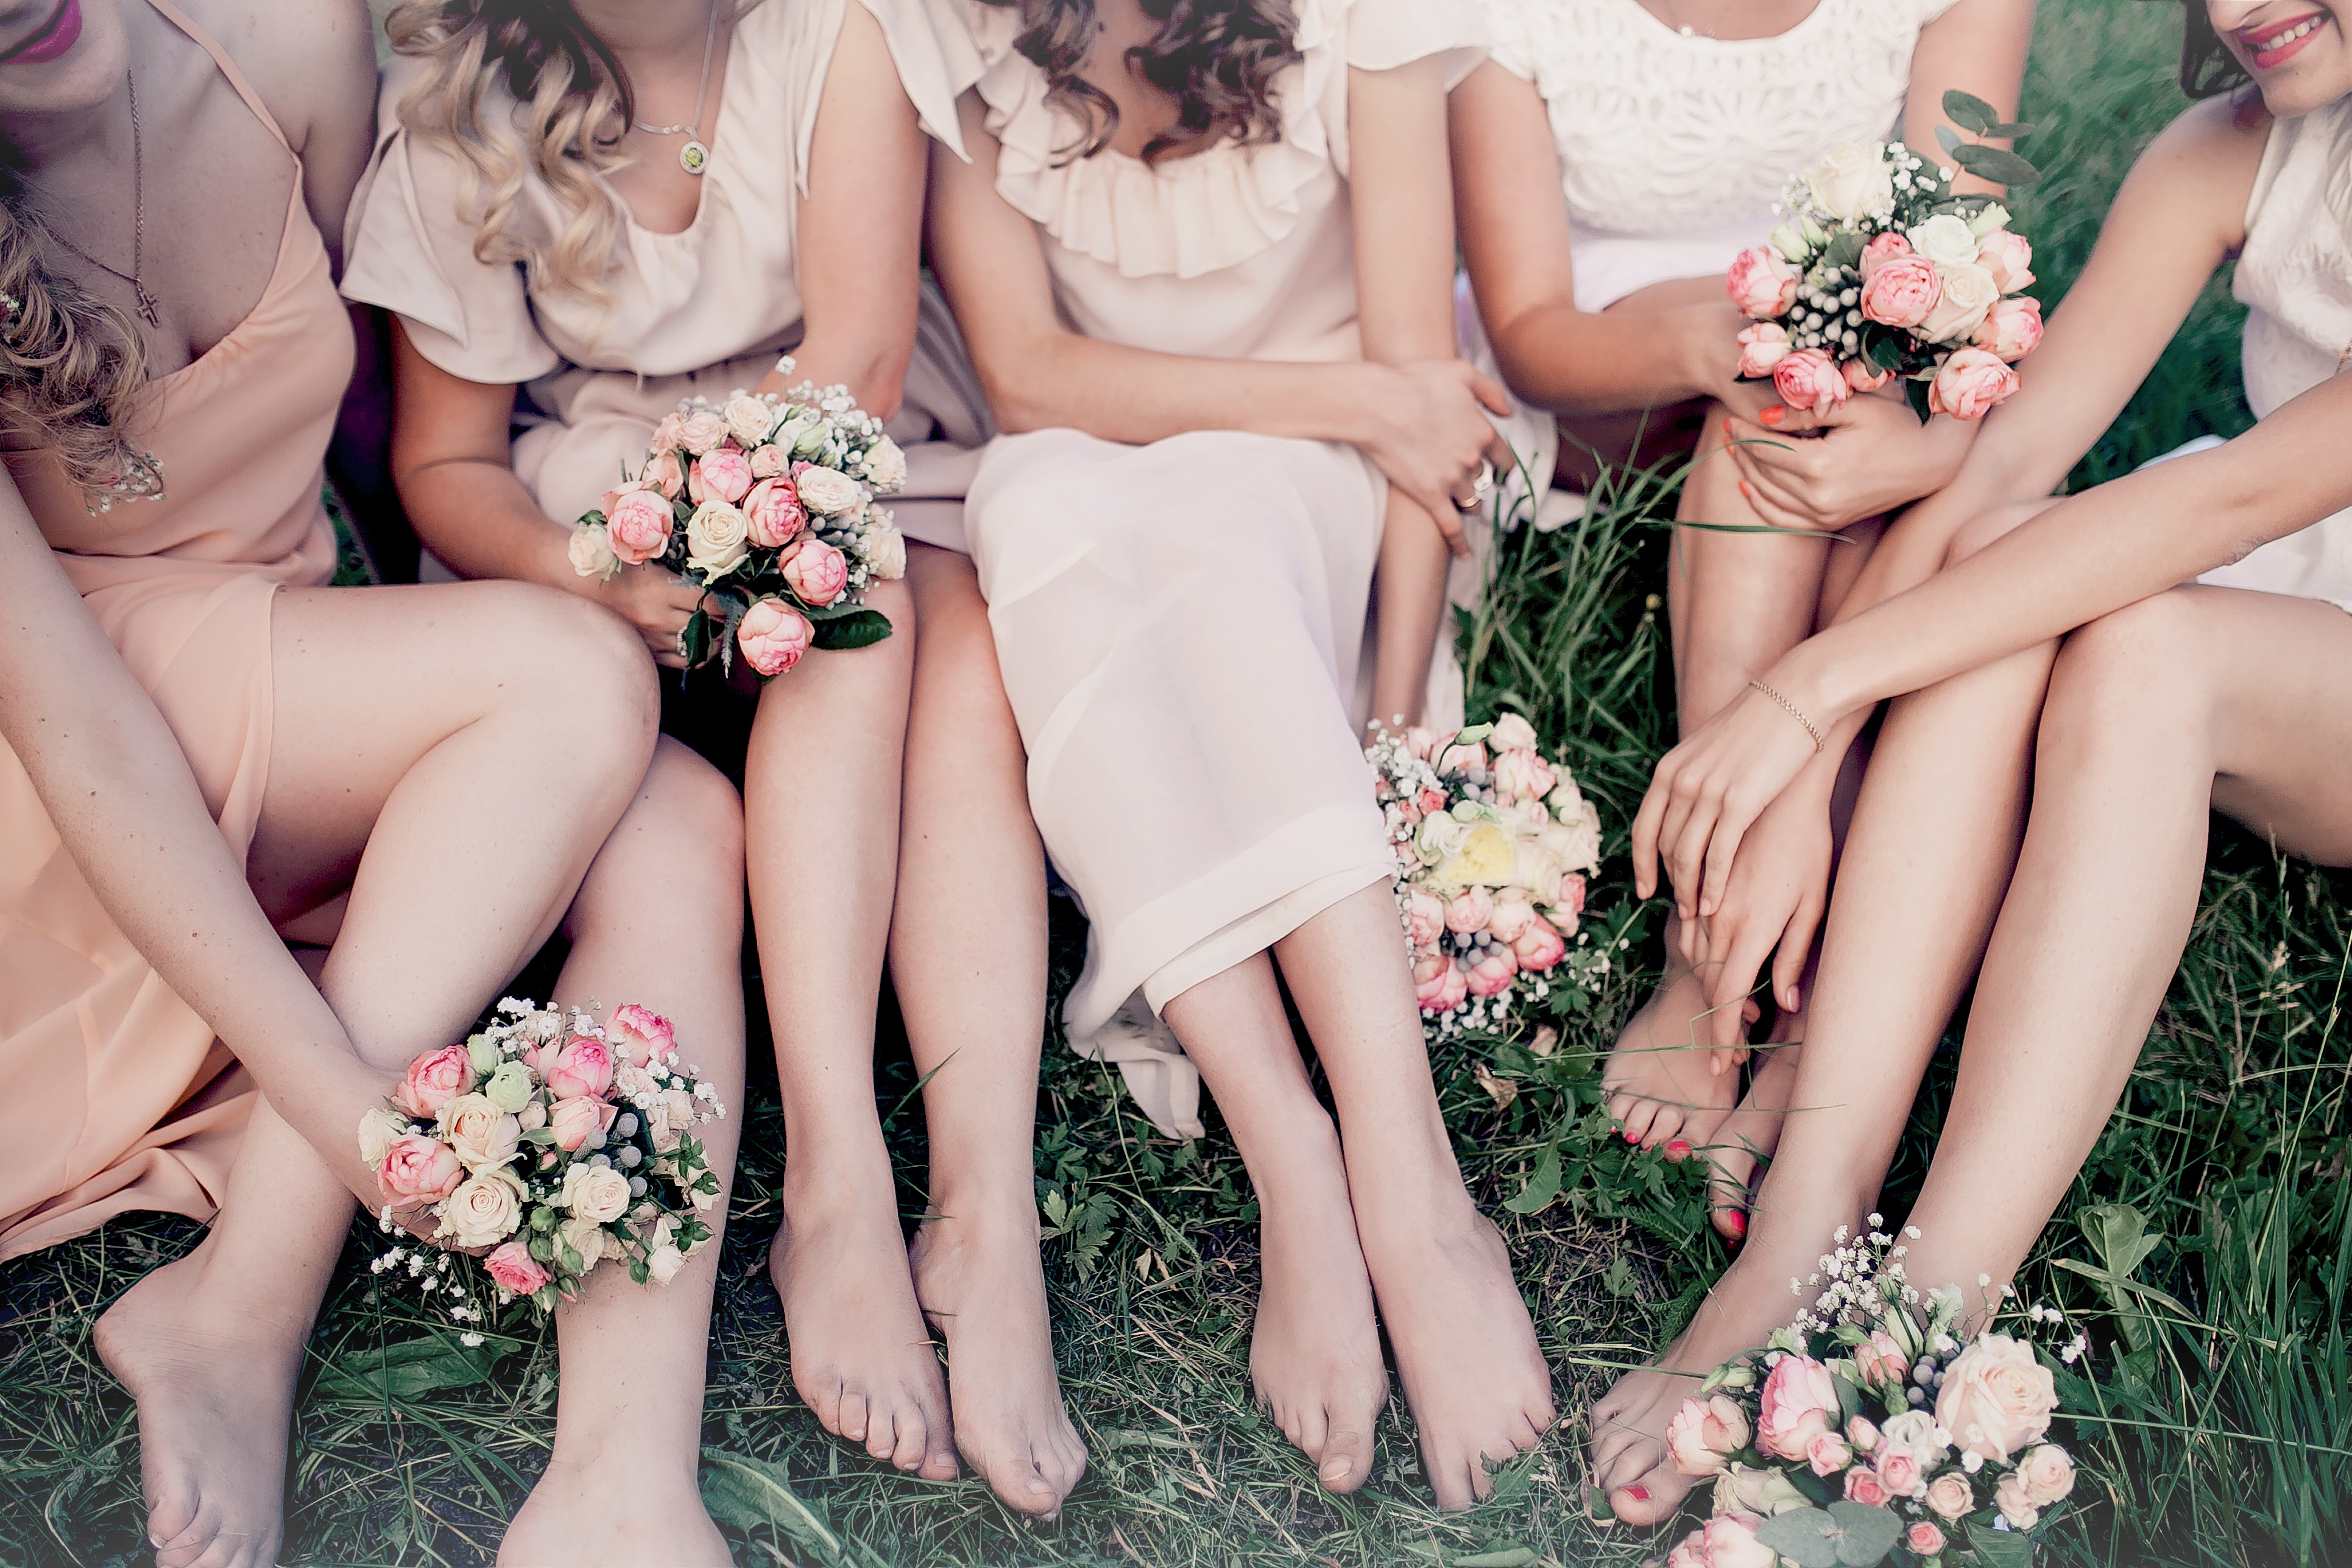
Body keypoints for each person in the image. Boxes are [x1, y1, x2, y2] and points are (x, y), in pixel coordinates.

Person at [0, 1, 748, 1563]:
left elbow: (379, 433)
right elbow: (73, 726)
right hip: (63, 755)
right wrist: (350, 1118)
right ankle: (238, 1314)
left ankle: (622, 1469)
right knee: (562, 682)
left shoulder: (285, 41)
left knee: (677, 821)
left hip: (282, 662)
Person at [1587, 0, 2352, 1524]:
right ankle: (1807, 1211)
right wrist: (1815, 763)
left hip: (2269, 577)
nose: (2235, 7)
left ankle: (1918, 1338)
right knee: (2018, 562)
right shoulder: (2231, 147)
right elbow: (1999, 470)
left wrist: (1805, 699)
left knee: (2141, 637)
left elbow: (2232, 503)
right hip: (2290, 598)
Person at [343, 0, 1083, 1517]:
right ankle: (834, 1176)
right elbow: (441, 468)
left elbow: (856, 362)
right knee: (865, 603)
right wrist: (600, 570)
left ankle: (981, 1210)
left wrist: (749, 536)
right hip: (585, 512)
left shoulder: (833, 34)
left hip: (838, 449)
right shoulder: (451, 114)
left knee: (925, 641)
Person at [927, 0, 1555, 1510]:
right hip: (1110, 458)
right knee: (1038, 508)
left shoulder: (1369, 21)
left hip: (1329, 498)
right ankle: (1295, 1164)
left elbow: (1425, 414)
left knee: (1192, 528)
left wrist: (1392, 720)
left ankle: (1413, 1195)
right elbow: (1025, 378)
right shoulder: (946, 32)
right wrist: (1352, 397)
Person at [1449, 0, 2033, 1231]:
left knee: (1847, 445)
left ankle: (1794, 972)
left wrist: (1885, 406)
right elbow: (1529, 337)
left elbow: (1950, 262)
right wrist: (1741, 341)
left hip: (1851, 358)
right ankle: (1722, 945)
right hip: (1618, 359)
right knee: (1779, 403)